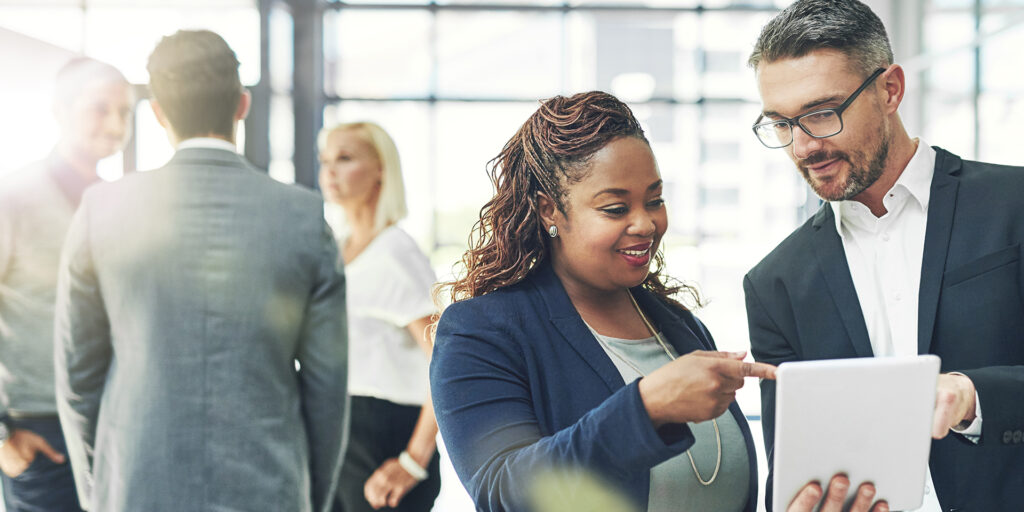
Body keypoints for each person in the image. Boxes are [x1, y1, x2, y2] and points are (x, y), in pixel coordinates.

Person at [430, 91, 785, 512]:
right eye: (616, 208)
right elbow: (505, 491)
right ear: (550, 211)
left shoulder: (679, 326)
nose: (646, 223)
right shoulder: (482, 332)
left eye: (655, 200)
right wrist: (646, 406)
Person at [743, 1, 1024, 511]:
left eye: (822, 114)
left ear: (889, 90)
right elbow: (790, 472)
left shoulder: (1016, 206)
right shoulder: (775, 284)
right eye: (781, 124)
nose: (803, 146)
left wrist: (973, 395)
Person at [52, 30, 349, 512]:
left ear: (158, 114)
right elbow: (327, 387)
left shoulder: (101, 211)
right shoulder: (303, 217)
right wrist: (308, 495)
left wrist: (101, 485)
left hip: (136, 484)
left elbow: (78, 375)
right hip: (269, 486)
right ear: (242, 105)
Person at [0, 56, 132, 512]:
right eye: (100, 108)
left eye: (125, 112)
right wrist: (1, 436)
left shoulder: (120, 206)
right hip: (39, 429)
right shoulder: (12, 198)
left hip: (113, 424)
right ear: (59, 110)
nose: (115, 124)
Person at [317, 121, 441, 511]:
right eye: (324, 161)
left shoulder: (394, 252)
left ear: (380, 171)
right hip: (343, 434)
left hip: (385, 436)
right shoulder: (337, 250)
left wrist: (414, 460)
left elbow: (448, 359)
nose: (329, 171)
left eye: (345, 158)